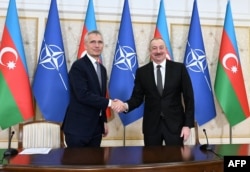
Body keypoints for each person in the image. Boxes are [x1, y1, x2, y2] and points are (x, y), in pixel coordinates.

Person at [119, 38, 194, 146]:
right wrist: (125, 105)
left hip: (175, 126)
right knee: (151, 161)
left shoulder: (179, 69)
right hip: (151, 128)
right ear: (150, 51)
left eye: (161, 48)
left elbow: (189, 98)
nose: (158, 51)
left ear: (166, 50)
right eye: (154, 48)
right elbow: (137, 98)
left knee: (176, 161)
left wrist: (187, 125)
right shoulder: (142, 72)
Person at [62, 30, 123, 147]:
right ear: (85, 45)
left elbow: (101, 96)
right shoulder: (78, 66)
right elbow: (83, 95)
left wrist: (103, 121)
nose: (97, 45)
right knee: (78, 164)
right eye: (93, 42)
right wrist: (111, 103)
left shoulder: (102, 69)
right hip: (78, 129)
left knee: (95, 163)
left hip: (96, 129)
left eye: (100, 42)